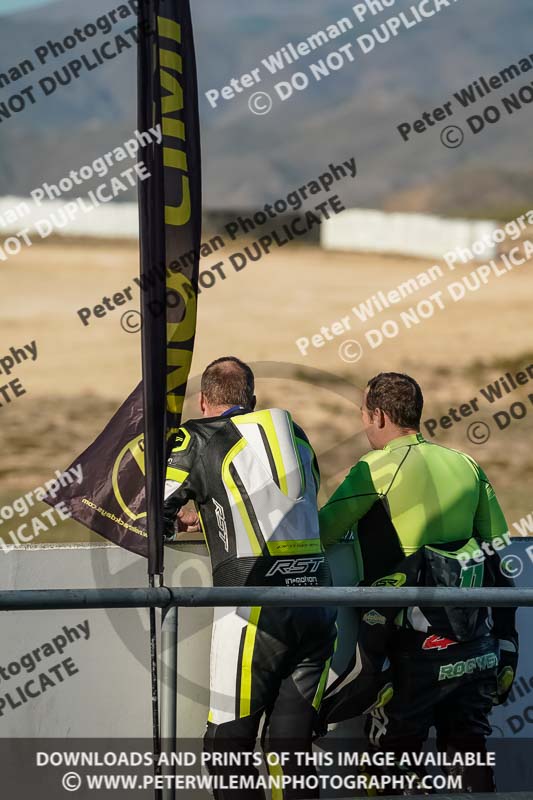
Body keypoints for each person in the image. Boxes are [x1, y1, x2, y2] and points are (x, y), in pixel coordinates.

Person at [318, 372, 518, 795]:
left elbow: (322, 533)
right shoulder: (466, 464)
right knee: (469, 762)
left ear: (379, 415)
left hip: (410, 648)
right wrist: (507, 641)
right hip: (476, 642)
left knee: (389, 767)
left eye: (363, 413)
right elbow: (498, 550)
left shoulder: (375, 467)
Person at [163, 356, 337, 800]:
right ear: (253, 401)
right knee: (289, 750)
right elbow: (273, 508)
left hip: (254, 612)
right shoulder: (295, 437)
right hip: (318, 602)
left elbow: (152, 514)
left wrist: (183, 520)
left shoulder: (197, 436)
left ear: (203, 400)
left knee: (227, 747)